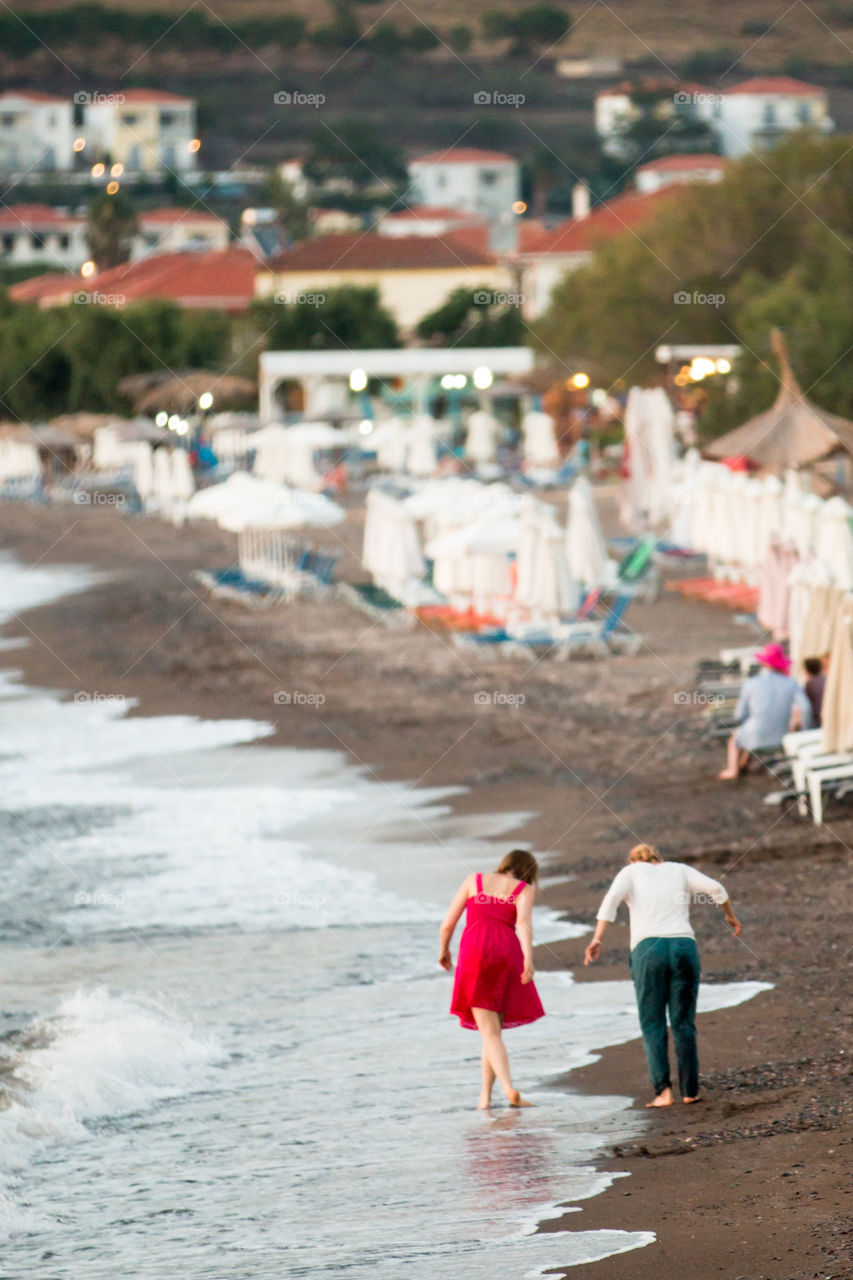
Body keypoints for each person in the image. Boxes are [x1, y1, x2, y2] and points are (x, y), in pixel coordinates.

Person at [585, 843, 741, 1107]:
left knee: (653, 1023)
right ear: (658, 859)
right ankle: (690, 1091)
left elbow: (610, 900)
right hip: (683, 947)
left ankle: (663, 1092)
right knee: (683, 1022)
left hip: (648, 950)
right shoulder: (678, 870)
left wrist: (597, 938)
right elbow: (716, 888)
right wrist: (730, 916)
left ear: (634, 861)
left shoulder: (630, 873)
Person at [440, 848, 544, 1109]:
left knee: (489, 1032)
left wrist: (443, 950)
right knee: (492, 1031)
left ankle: (509, 1089)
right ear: (528, 871)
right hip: (506, 953)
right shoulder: (523, 889)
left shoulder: (473, 880)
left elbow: (448, 924)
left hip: (475, 952)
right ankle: (485, 1097)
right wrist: (529, 959)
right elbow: (523, 924)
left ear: (504, 863)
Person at [718, 642, 811, 779]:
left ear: (764, 664)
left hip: (754, 734)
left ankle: (733, 770)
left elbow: (739, 714)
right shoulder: (791, 683)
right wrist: (805, 730)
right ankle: (745, 764)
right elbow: (806, 707)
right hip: (782, 734)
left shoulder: (751, 683)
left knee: (736, 737)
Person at [803, 656, 826, 729]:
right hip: (826, 717)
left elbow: (806, 705)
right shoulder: (826, 679)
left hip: (816, 720)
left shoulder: (810, 684)